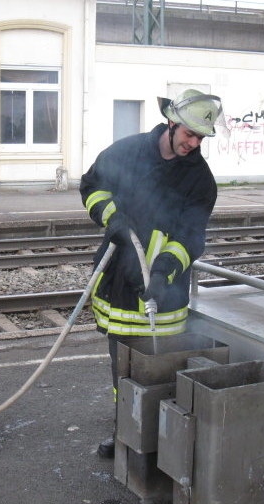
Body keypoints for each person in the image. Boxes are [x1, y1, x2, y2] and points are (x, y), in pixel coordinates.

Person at [79, 89, 227, 458]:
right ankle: (124, 428)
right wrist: (112, 217)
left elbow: (190, 238)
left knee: (160, 367)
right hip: (117, 278)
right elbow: (92, 185)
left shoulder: (200, 182)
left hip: (164, 289)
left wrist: (164, 274)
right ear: (171, 123)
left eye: (200, 138)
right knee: (121, 367)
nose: (193, 144)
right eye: (188, 134)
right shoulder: (127, 152)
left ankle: (160, 440)